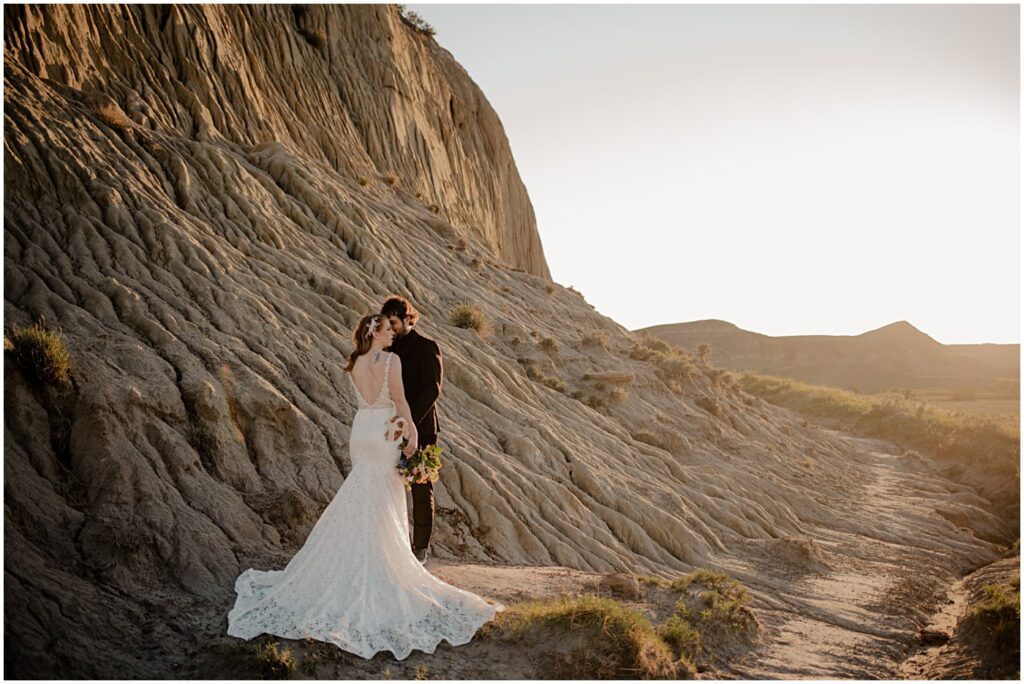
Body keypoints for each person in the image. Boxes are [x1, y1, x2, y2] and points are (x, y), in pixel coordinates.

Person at [226, 314, 502, 659]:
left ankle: (354, 555)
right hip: (386, 430)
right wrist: (413, 435)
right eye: (388, 330)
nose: (392, 334)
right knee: (385, 497)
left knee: (363, 491)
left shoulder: (354, 362)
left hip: (361, 432)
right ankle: (383, 559)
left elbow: (364, 398)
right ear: (376, 333)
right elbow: (400, 401)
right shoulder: (392, 360)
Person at [380, 296, 442, 563]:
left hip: (422, 426)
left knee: (420, 484)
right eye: (387, 323)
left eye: (394, 322)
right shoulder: (384, 350)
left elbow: (433, 389)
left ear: (407, 319)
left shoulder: (427, 347)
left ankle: (420, 548)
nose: (391, 328)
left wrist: (408, 421)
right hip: (387, 427)